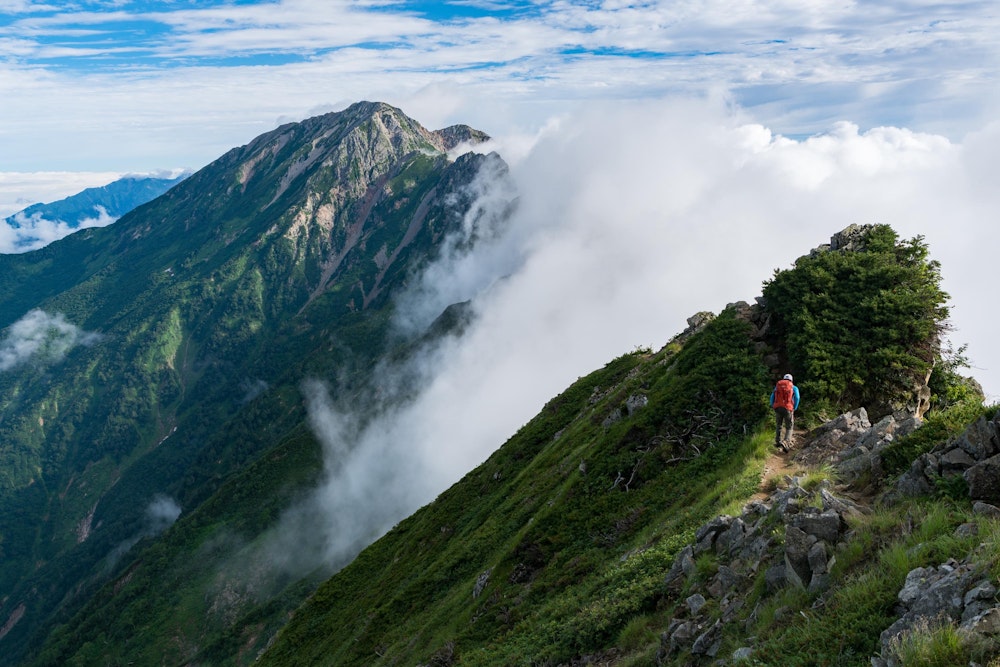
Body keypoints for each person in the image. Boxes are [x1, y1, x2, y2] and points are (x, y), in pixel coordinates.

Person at [770, 373, 800, 452]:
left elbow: (772, 396)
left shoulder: (778, 386)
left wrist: (773, 405)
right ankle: (786, 442)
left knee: (778, 424)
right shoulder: (794, 387)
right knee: (789, 426)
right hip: (788, 408)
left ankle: (777, 441)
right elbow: (797, 397)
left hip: (778, 407)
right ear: (791, 380)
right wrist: (794, 407)